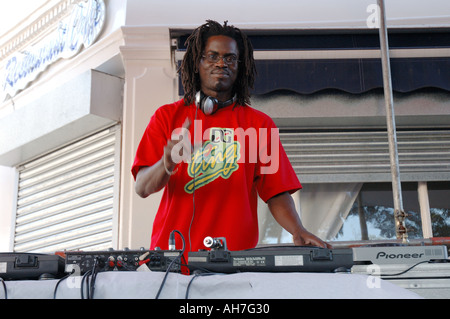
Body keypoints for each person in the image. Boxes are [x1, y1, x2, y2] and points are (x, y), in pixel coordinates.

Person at [132, 20, 330, 254]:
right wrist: (167, 163)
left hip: (235, 261)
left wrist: (297, 230)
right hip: (173, 259)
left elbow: (276, 192)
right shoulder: (167, 117)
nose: (221, 63)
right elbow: (142, 188)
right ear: (198, 63)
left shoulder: (259, 125)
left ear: (240, 66)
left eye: (230, 58)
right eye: (212, 56)